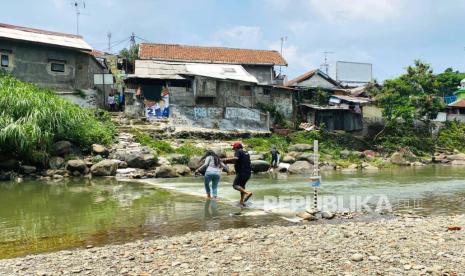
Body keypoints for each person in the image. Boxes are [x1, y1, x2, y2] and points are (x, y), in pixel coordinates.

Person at [224, 142, 252, 207]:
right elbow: (241, 161)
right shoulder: (246, 153)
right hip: (248, 172)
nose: (232, 148)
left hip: (241, 172)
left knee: (235, 185)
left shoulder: (238, 151)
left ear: (236, 147)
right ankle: (241, 201)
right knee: (242, 186)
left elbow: (236, 158)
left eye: (233, 147)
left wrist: (225, 159)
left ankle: (247, 193)